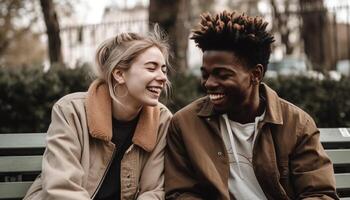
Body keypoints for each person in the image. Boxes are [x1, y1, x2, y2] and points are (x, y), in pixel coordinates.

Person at [165, 11, 338, 200]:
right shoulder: (184, 125)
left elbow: (320, 194)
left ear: (256, 74)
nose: (209, 83)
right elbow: (180, 193)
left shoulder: (297, 124)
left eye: (222, 75)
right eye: (205, 74)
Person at [24, 26, 172, 200]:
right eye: (151, 68)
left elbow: (154, 191)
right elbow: (61, 188)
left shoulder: (162, 120)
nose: (163, 77)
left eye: (163, 69)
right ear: (119, 74)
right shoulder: (71, 111)